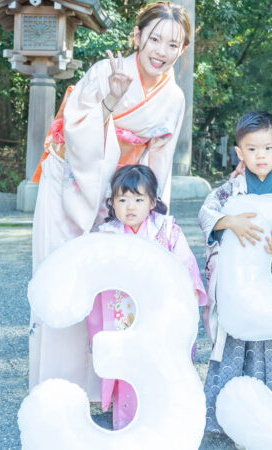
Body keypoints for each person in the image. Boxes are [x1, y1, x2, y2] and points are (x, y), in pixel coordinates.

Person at [28, 1, 191, 398]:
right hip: (70, 182)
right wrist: (110, 103)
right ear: (137, 37)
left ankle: (105, 386)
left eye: (173, 44)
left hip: (121, 196)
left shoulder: (173, 98)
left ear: (183, 50)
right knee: (66, 277)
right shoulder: (106, 72)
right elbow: (76, 128)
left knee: (110, 282)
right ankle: (58, 386)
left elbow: (159, 161)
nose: (161, 51)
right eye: (155, 39)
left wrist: (148, 215)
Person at [198, 111, 272, 438]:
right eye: (251, 149)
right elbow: (206, 214)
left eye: (267, 148)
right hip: (241, 288)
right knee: (240, 341)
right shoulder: (227, 193)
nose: (260, 156)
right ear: (239, 153)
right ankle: (229, 421)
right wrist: (229, 222)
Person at [87, 164, 208, 430]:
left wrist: (182, 304)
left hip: (159, 314)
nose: (130, 206)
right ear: (112, 203)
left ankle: (165, 424)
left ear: (152, 201)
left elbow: (185, 268)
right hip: (121, 315)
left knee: (160, 367)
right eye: (122, 199)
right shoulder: (105, 235)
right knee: (127, 366)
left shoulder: (167, 230)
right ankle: (127, 426)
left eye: (139, 199)